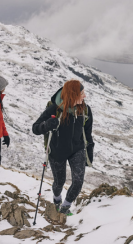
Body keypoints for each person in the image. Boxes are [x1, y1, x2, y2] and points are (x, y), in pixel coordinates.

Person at [32, 80, 94, 215]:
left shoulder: (85, 110)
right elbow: (35, 128)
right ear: (72, 95)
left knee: (78, 182)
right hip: (57, 151)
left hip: (77, 150)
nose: (84, 96)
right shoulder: (54, 109)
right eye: (81, 93)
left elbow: (88, 134)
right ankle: (57, 198)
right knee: (59, 182)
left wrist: (89, 154)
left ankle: (65, 207)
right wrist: (47, 125)